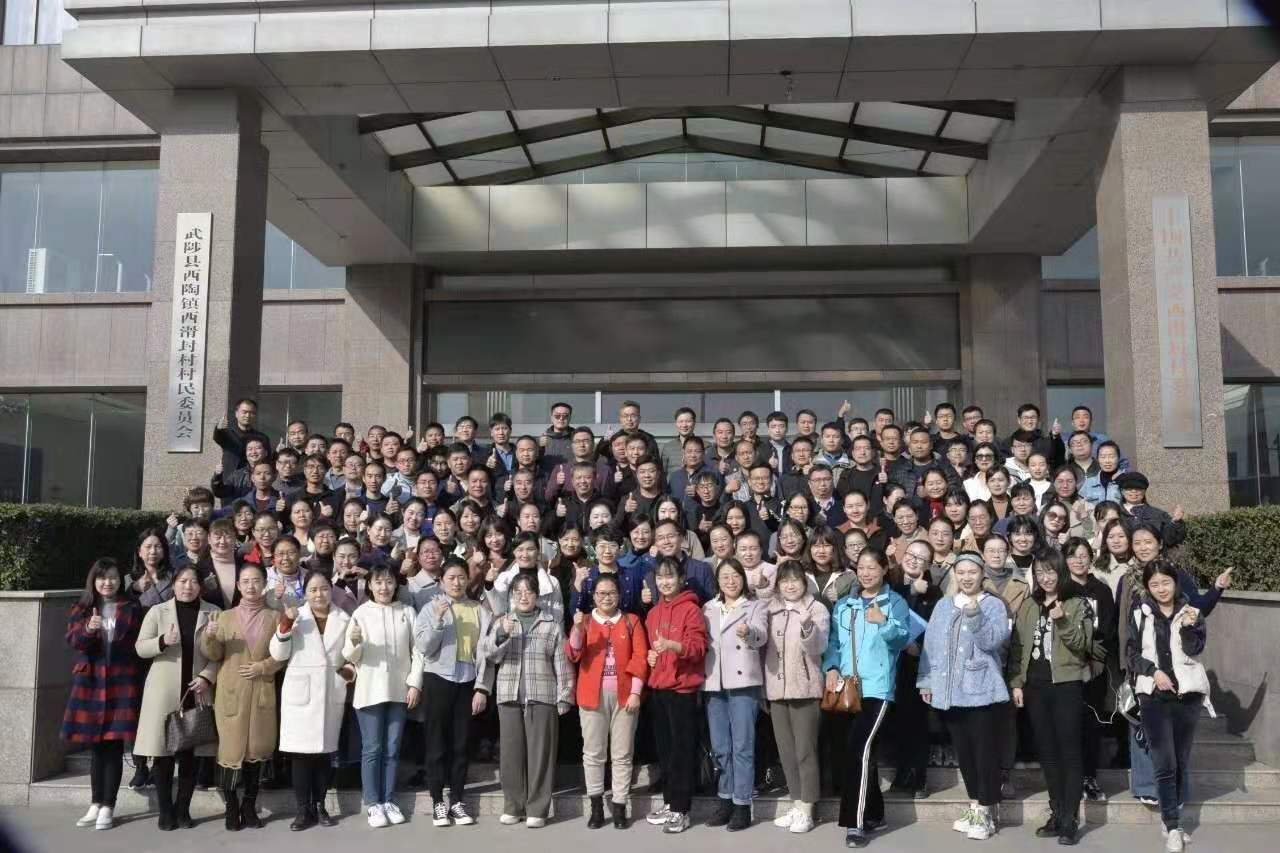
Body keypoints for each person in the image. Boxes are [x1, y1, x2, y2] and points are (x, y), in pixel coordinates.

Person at [917, 551, 1012, 842]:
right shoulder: (944, 605)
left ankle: (987, 809)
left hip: (980, 689)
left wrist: (974, 615)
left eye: (972, 572)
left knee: (984, 752)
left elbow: (992, 640)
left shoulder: (993, 605)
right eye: (961, 572)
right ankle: (975, 804)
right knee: (965, 752)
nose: (966, 577)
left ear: (982, 574)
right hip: (950, 691)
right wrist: (926, 680)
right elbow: (931, 644)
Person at [823, 547, 910, 848]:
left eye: (873, 567)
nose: (866, 572)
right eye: (861, 567)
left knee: (858, 749)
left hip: (878, 688)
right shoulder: (844, 605)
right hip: (847, 688)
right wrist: (831, 666)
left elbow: (902, 639)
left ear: (884, 569)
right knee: (860, 752)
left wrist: (883, 622)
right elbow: (833, 642)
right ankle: (875, 813)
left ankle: (855, 822)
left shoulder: (894, 602)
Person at [1126, 559, 1211, 853]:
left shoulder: (1192, 612)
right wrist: (1153, 672)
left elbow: (1195, 649)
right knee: (1164, 762)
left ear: (1175, 583)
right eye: (1155, 584)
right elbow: (1131, 653)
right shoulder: (1140, 613)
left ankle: (1171, 818)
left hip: (1187, 696)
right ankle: (1173, 826)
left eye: (1166, 582)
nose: (1161, 589)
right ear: (1147, 587)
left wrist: (1189, 628)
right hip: (1153, 696)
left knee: (1181, 761)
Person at [1008, 549, 1093, 846]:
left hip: (1066, 685)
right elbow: (1018, 646)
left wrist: (1063, 621)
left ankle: (1070, 818)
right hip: (1035, 687)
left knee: (1069, 752)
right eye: (1039, 572)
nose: (1045, 578)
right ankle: (1056, 813)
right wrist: (1017, 683)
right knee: (1047, 753)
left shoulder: (1077, 603)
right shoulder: (1030, 604)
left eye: (1050, 571)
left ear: (1061, 572)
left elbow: (1083, 645)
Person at [478, 572, 574, 828]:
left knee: (540, 755)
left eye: (528, 592)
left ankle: (537, 809)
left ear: (537, 596)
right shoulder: (503, 621)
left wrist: (565, 695)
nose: (523, 597)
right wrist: (502, 634)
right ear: (511, 596)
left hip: (542, 695)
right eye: (518, 592)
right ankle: (513, 806)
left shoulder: (550, 624)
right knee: (510, 755)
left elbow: (562, 663)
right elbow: (489, 655)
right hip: (509, 695)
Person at [199, 562, 284, 831]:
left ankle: (249, 805)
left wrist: (264, 667)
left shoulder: (275, 617)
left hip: (261, 691)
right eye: (245, 581)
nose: (251, 586)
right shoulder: (224, 617)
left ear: (264, 584)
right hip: (231, 692)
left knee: (257, 751)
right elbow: (214, 655)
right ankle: (231, 806)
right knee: (230, 752)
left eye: (256, 581)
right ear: (238, 586)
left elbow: (283, 654)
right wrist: (209, 638)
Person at [134, 564, 219, 831]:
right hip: (163, 692)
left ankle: (183, 810)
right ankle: (165, 811)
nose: (188, 586)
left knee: (190, 756)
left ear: (200, 586)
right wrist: (162, 641)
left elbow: (223, 653)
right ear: (174, 584)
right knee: (163, 755)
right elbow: (140, 647)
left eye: (193, 581)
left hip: (197, 690)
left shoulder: (213, 613)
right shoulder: (157, 611)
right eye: (183, 581)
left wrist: (207, 676)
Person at [63, 558, 143, 831]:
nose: (107, 582)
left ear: (120, 580)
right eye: (102, 578)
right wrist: (89, 628)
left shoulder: (131, 607)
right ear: (94, 580)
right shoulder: (83, 607)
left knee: (113, 747)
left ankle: (108, 805)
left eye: (112, 577)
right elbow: (74, 641)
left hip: (121, 683)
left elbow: (135, 645)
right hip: (92, 682)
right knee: (96, 747)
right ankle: (95, 803)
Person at [269, 571, 351, 831]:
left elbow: (352, 655)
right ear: (305, 593)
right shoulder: (296, 616)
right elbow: (278, 653)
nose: (319, 594)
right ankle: (303, 810)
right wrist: (285, 625)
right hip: (300, 694)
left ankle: (320, 805)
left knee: (325, 754)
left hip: (330, 691)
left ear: (331, 590)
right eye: (313, 589)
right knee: (301, 756)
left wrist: (347, 674)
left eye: (324, 588)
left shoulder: (344, 618)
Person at [343, 565, 424, 829]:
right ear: (370, 585)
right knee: (372, 748)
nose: (384, 587)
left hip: (399, 690)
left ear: (396, 585)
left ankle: (388, 800)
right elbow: (350, 657)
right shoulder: (361, 613)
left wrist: (415, 684)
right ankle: (372, 803)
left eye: (389, 582)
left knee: (392, 748)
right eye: (378, 582)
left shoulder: (407, 612)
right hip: (369, 690)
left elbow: (418, 652)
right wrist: (355, 642)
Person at [566, 573, 649, 829]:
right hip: (592, 695)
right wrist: (577, 629)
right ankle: (596, 807)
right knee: (593, 753)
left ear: (619, 595)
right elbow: (573, 653)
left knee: (622, 754)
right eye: (601, 593)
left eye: (611, 592)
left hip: (625, 697)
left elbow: (640, 657)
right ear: (593, 596)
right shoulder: (585, 621)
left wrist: (636, 692)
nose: (606, 598)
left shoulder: (631, 621)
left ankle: (620, 805)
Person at [413, 557, 491, 827]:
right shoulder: (430, 607)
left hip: (467, 681)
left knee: (461, 744)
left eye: (461, 577)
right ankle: (437, 801)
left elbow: (486, 653)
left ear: (468, 579)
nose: (457, 583)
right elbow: (424, 647)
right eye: (451, 578)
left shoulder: (478, 609)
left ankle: (457, 800)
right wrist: (437, 619)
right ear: (442, 581)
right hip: (438, 679)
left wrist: (482, 687)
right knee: (436, 743)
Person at [702, 558, 769, 831]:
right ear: (718, 581)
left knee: (742, 746)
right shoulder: (708, 608)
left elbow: (761, 636)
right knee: (720, 747)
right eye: (725, 577)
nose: (730, 581)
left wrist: (749, 632)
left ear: (743, 578)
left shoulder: (755, 606)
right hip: (714, 683)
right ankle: (725, 799)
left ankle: (742, 804)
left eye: (735, 576)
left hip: (743, 683)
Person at [644, 556, 709, 834]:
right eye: (660, 577)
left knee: (682, 752)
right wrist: (651, 657)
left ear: (681, 579)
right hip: (659, 688)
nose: (665, 582)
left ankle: (682, 810)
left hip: (683, 689)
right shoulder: (653, 614)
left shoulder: (691, 610)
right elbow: (652, 650)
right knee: (666, 751)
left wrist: (674, 646)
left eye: (670, 576)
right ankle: (670, 803)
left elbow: (698, 648)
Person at [766, 563, 831, 834]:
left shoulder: (817, 609)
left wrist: (807, 626)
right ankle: (796, 803)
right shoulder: (771, 609)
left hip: (805, 688)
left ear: (805, 583)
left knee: (806, 751)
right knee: (787, 752)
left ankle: (808, 808)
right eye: (785, 581)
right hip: (776, 689)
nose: (790, 585)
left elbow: (819, 647)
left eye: (795, 580)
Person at [1064, 537, 1116, 803]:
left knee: (1091, 724)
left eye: (1083, 555)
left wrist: (1095, 658)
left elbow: (1108, 629)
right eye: (1072, 555)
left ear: (1091, 558)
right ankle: (1069, 777)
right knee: (1068, 724)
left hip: (1094, 667)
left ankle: (1089, 776)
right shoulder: (1061, 589)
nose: (1078, 560)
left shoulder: (1102, 590)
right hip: (1066, 668)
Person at [888, 540, 941, 801]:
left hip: (917, 662)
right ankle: (901, 774)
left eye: (921, 558)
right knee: (896, 722)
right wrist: (911, 591)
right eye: (910, 554)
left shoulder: (934, 592)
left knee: (916, 722)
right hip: (892, 663)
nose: (913, 560)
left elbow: (934, 628)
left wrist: (918, 647)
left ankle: (918, 777)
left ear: (928, 565)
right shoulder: (892, 586)